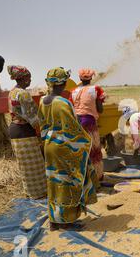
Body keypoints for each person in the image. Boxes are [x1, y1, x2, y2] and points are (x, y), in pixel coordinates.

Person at [38, 67, 98, 231]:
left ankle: (54, 220)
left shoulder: (43, 100)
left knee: (53, 182)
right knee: (68, 181)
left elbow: (42, 125)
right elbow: (73, 129)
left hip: (49, 145)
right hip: (63, 146)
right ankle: (67, 220)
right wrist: (86, 142)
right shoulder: (63, 103)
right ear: (63, 83)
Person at [7, 65, 47, 199]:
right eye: (29, 77)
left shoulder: (12, 92)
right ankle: (39, 193)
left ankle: (30, 192)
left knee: (25, 166)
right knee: (35, 164)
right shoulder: (23, 94)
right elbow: (33, 118)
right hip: (24, 131)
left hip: (14, 130)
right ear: (23, 79)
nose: (30, 80)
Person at [70, 69, 106, 181]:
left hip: (76, 123)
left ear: (80, 79)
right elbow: (100, 110)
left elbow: (71, 107)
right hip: (89, 122)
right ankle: (97, 177)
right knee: (94, 151)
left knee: (81, 151)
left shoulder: (73, 91)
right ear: (91, 78)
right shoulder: (96, 89)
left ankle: (83, 178)